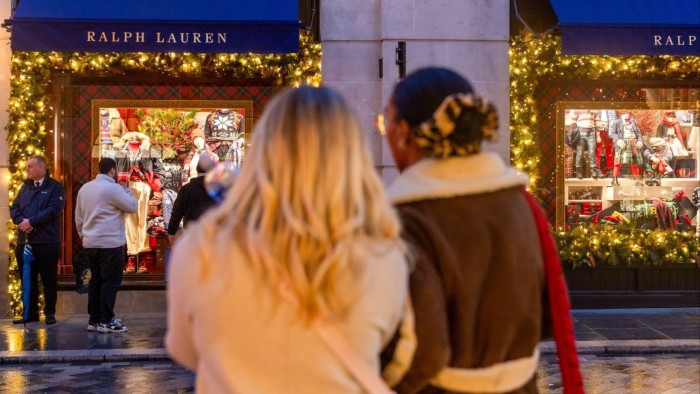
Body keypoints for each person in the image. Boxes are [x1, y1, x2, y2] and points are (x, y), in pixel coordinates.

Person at [166, 86, 408, 393]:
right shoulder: (384, 254)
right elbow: (394, 355)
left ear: (262, 151)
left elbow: (185, 349)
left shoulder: (203, 246)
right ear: (351, 157)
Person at [381, 67, 582, 393]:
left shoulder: (407, 220)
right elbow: (548, 316)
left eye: (385, 121)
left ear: (404, 132)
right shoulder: (521, 204)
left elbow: (420, 352)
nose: (385, 132)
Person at [75, 158, 138, 333]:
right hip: (110, 243)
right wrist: (128, 190)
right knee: (110, 282)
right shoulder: (114, 189)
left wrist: (84, 235)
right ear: (112, 170)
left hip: (90, 243)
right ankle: (106, 319)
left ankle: (94, 319)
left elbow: (78, 217)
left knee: (95, 281)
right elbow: (132, 206)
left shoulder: (85, 188)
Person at [10, 155, 65, 325]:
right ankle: (30, 313)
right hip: (25, 240)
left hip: (46, 241)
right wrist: (21, 222)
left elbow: (54, 210)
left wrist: (31, 222)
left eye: (30, 166)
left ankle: (50, 313)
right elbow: (15, 207)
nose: (27, 169)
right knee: (27, 278)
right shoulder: (25, 187)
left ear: (41, 168)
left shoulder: (55, 187)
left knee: (48, 279)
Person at [167, 159, 217, 243]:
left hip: (191, 235)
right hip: (212, 235)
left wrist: (171, 232)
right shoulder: (218, 189)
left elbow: (177, 212)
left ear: (197, 170)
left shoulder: (186, 189)